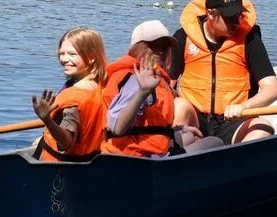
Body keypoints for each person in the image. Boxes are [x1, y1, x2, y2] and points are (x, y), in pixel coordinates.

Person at [170, 0, 277, 144]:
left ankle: (238, 164)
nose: (236, 22)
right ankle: (174, 158)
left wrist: (244, 106)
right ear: (210, 14)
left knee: (263, 128)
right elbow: (166, 85)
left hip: (233, 120)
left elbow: (272, 89)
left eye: (239, 16)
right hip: (196, 121)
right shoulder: (183, 37)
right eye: (230, 18)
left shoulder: (249, 39)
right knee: (179, 106)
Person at [101, 20, 178, 158]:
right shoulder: (135, 79)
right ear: (137, 48)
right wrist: (143, 92)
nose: (160, 51)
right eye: (153, 46)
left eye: (165, 47)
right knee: (214, 142)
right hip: (136, 160)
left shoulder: (153, 77)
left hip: (150, 154)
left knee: (189, 134)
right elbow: (117, 128)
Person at [31, 27, 108, 162]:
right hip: (93, 161)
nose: (64, 59)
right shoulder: (105, 86)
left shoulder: (73, 99)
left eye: (72, 54)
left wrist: (47, 120)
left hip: (63, 169)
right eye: (62, 53)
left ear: (91, 58)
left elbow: (66, 142)